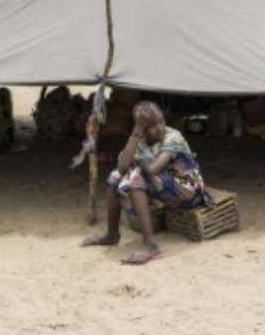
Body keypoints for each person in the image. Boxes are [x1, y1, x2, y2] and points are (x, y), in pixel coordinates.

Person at [82, 101, 206, 264]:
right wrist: (135, 135)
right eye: (152, 126)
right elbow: (121, 167)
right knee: (114, 178)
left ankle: (150, 244)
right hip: (164, 191)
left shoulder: (173, 136)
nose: (160, 127)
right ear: (142, 130)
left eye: (161, 121)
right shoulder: (139, 142)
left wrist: (136, 166)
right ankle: (112, 234)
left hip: (189, 191)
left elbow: (154, 169)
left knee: (135, 177)